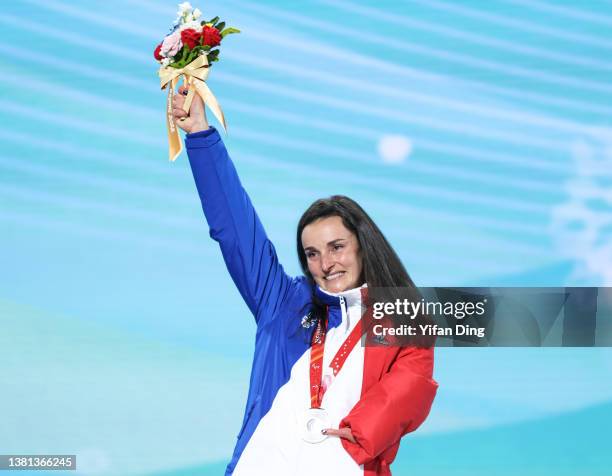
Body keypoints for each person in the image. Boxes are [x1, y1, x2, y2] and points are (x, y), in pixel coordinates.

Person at [172, 85, 438, 476]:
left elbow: (409, 391)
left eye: (337, 247)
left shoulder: (401, 322)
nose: (325, 263)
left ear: (364, 245)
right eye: (312, 253)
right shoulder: (284, 305)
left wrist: (351, 444)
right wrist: (199, 134)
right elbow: (234, 229)